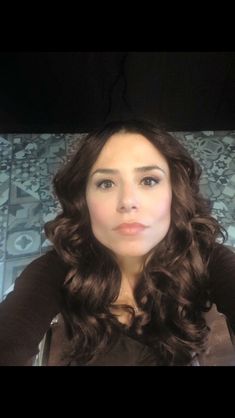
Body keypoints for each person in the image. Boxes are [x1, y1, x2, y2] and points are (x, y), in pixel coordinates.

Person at [0, 119, 235, 366]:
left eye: (149, 180)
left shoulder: (209, 259)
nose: (127, 201)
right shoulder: (57, 268)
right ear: (84, 200)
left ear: (174, 192)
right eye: (106, 183)